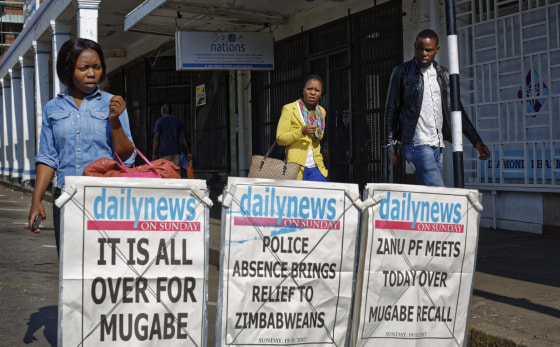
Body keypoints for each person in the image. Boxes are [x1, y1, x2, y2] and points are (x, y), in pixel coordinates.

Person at [28, 38, 136, 253]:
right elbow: (48, 157)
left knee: (103, 266)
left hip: (106, 200)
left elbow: (127, 157)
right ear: (69, 70)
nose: (91, 73)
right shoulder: (53, 108)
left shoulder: (113, 103)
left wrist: (114, 120)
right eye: (83, 68)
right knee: (70, 270)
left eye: (96, 67)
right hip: (67, 197)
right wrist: (36, 200)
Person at [385, 29, 490, 186]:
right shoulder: (402, 72)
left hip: (437, 147)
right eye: (419, 48)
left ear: (437, 50)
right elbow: (391, 112)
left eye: (428, 50)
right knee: (438, 192)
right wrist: (392, 149)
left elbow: (457, 111)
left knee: (431, 198)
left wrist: (476, 141)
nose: (423, 53)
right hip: (415, 144)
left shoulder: (444, 75)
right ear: (414, 46)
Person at [277, 74, 328, 181]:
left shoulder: (321, 112)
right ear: (303, 90)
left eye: (317, 90)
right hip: (295, 166)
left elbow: (318, 136)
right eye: (309, 89)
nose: (313, 93)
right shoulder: (290, 109)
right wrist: (301, 131)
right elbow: (280, 139)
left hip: (316, 167)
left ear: (321, 93)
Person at [151, 103, 192, 169]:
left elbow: (156, 138)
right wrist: (188, 152)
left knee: (166, 173)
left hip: (164, 152)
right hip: (176, 151)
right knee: (176, 173)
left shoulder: (159, 121)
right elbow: (184, 138)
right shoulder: (178, 121)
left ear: (163, 111)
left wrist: (154, 153)